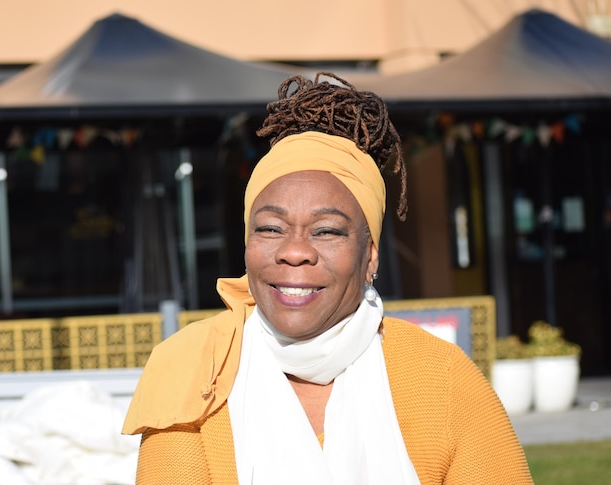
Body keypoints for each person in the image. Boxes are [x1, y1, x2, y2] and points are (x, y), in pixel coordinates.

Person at [122, 72, 533, 484]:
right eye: (270, 229)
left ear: (370, 255)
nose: (294, 251)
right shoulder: (192, 372)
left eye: (327, 231)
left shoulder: (440, 378)